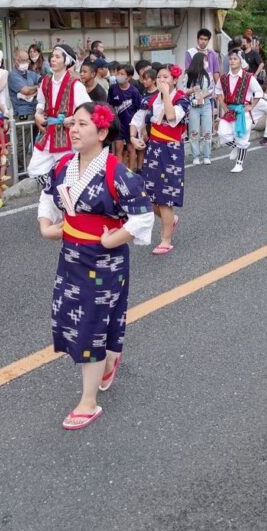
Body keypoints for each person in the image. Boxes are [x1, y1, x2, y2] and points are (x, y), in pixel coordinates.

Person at [37, 102, 154, 430]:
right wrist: (47, 225)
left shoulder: (116, 171)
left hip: (104, 260)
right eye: (72, 123)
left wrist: (112, 240)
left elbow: (142, 214)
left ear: (102, 132)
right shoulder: (63, 166)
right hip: (71, 254)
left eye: (82, 124)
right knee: (72, 314)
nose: (73, 129)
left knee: (90, 322)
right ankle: (111, 357)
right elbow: (48, 196)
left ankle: (88, 401)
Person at [131, 65, 188, 255]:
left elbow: (171, 116)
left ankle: (166, 239)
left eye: (166, 77)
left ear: (174, 80)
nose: (162, 80)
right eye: (160, 77)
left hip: (171, 150)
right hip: (154, 148)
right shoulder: (151, 99)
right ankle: (170, 220)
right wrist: (133, 136)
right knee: (150, 196)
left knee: (165, 199)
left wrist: (166, 96)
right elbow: (138, 118)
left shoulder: (181, 99)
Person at [28, 44, 90, 180]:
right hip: (49, 132)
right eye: (52, 56)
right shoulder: (46, 81)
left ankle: (61, 196)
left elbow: (86, 110)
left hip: (67, 136)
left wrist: (72, 119)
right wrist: (38, 114)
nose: (53, 60)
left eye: (57, 57)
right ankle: (50, 193)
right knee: (34, 169)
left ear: (66, 61)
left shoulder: (76, 84)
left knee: (67, 174)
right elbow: (41, 102)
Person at [215, 49, 265, 173]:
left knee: (242, 139)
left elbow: (259, 92)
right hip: (229, 111)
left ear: (241, 61)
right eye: (230, 59)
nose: (232, 61)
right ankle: (236, 148)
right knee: (223, 134)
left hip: (243, 112)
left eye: (235, 59)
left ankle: (239, 163)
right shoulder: (224, 78)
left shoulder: (248, 77)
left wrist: (252, 106)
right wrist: (223, 105)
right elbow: (217, 91)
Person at [108, 63, 142, 168]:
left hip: (131, 126)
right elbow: (109, 105)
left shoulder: (134, 92)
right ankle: (119, 173)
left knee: (131, 149)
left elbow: (139, 110)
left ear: (129, 77)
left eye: (122, 74)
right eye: (118, 73)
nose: (119, 75)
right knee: (118, 148)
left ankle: (130, 173)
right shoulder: (113, 89)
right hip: (118, 125)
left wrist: (138, 126)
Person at [183, 53, 213, 165]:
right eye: (205, 60)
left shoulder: (208, 75)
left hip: (206, 104)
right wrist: (192, 91)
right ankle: (196, 156)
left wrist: (202, 95)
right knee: (194, 131)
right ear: (199, 61)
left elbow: (211, 90)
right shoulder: (188, 75)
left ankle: (206, 155)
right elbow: (184, 90)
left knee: (207, 130)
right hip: (193, 105)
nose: (207, 63)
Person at [8, 48, 41, 125]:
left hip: (35, 112)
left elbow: (43, 81)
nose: (26, 63)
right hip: (23, 116)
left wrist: (34, 91)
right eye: (23, 60)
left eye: (27, 60)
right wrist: (38, 87)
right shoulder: (13, 75)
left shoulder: (30, 74)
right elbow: (26, 91)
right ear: (16, 61)